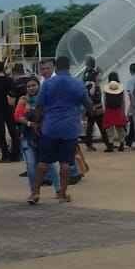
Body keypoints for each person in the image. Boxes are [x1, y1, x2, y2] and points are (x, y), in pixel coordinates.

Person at [28, 56, 90, 204]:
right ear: (69, 67)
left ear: (56, 67)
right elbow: (88, 105)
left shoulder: (48, 84)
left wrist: (36, 123)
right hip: (70, 129)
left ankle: (35, 193)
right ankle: (62, 194)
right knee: (65, 163)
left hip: (50, 128)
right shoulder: (78, 83)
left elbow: (39, 107)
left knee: (43, 162)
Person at [14, 77, 60, 201]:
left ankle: (59, 190)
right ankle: (34, 193)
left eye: (34, 85)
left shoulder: (45, 99)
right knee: (30, 165)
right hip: (27, 136)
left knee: (48, 164)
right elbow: (17, 116)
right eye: (28, 86)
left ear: (39, 86)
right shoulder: (23, 100)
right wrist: (29, 123)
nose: (31, 88)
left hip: (43, 136)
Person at [82, 56, 110, 152]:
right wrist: (100, 73)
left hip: (89, 103)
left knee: (90, 125)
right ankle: (108, 144)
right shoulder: (93, 74)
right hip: (96, 103)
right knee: (101, 125)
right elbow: (98, 81)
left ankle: (89, 144)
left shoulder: (85, 73)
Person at [102, 74, 128, 152]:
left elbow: (104, 100)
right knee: (120, 127)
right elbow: (123, 100)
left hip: (109, 109)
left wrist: (105, 110)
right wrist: (123, 111)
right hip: (118, 109)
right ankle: (122, 144)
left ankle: (110, 144)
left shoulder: (106, 88)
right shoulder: (120, 88)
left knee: (109, 128)